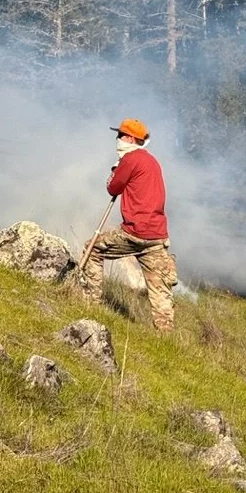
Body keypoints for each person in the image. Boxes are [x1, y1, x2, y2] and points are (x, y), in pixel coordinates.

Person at [80, 118, 178, 333]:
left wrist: (115, 169)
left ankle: (90, 304)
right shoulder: (152, 161)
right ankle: (166, 336)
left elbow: (113, 188)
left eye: (120, 135)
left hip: (135, 232)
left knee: (93, 248)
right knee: (160, 289)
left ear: (131, 138)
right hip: (157, 235)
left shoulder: (131, 159)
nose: (117, 139)